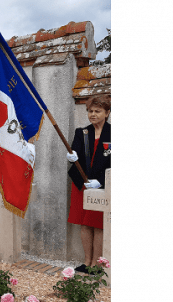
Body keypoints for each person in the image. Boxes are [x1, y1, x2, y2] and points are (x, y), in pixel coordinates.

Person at [66, 97, 111, 275]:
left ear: (107, 113)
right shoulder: (81, 132)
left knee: (97, 223)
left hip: (100, 186)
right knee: (84, 223)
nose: (93, 114)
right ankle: (86, 262)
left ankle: (97, 264)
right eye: (90, 111)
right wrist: (72, 156)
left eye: (97, 111)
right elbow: (74, 152)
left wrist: (101, 181)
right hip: (82, 184)